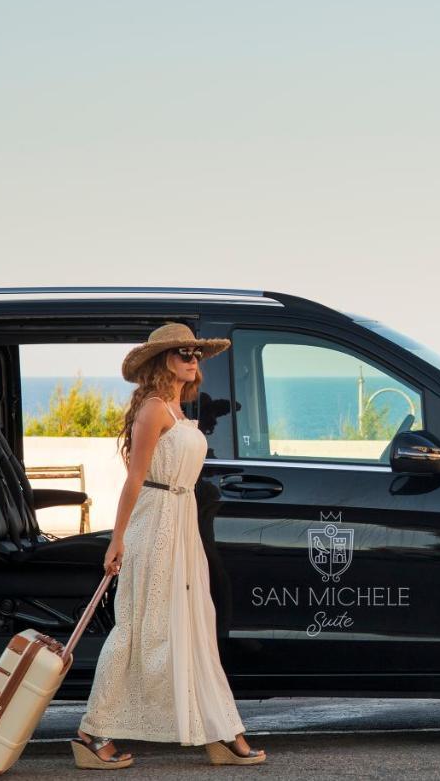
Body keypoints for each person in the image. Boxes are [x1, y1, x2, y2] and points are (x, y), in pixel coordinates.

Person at [71, 322, 266, 769]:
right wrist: (117, 540)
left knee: (195, 626)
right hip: (154, 524)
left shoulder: (180, 410)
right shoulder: (155, 409)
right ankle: (90, 731)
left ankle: (220, 729)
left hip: (181, 525)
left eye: (195, 351)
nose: (192, 358)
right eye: (182, 351)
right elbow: (135, 479)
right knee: (139, 629)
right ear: (164, 360)